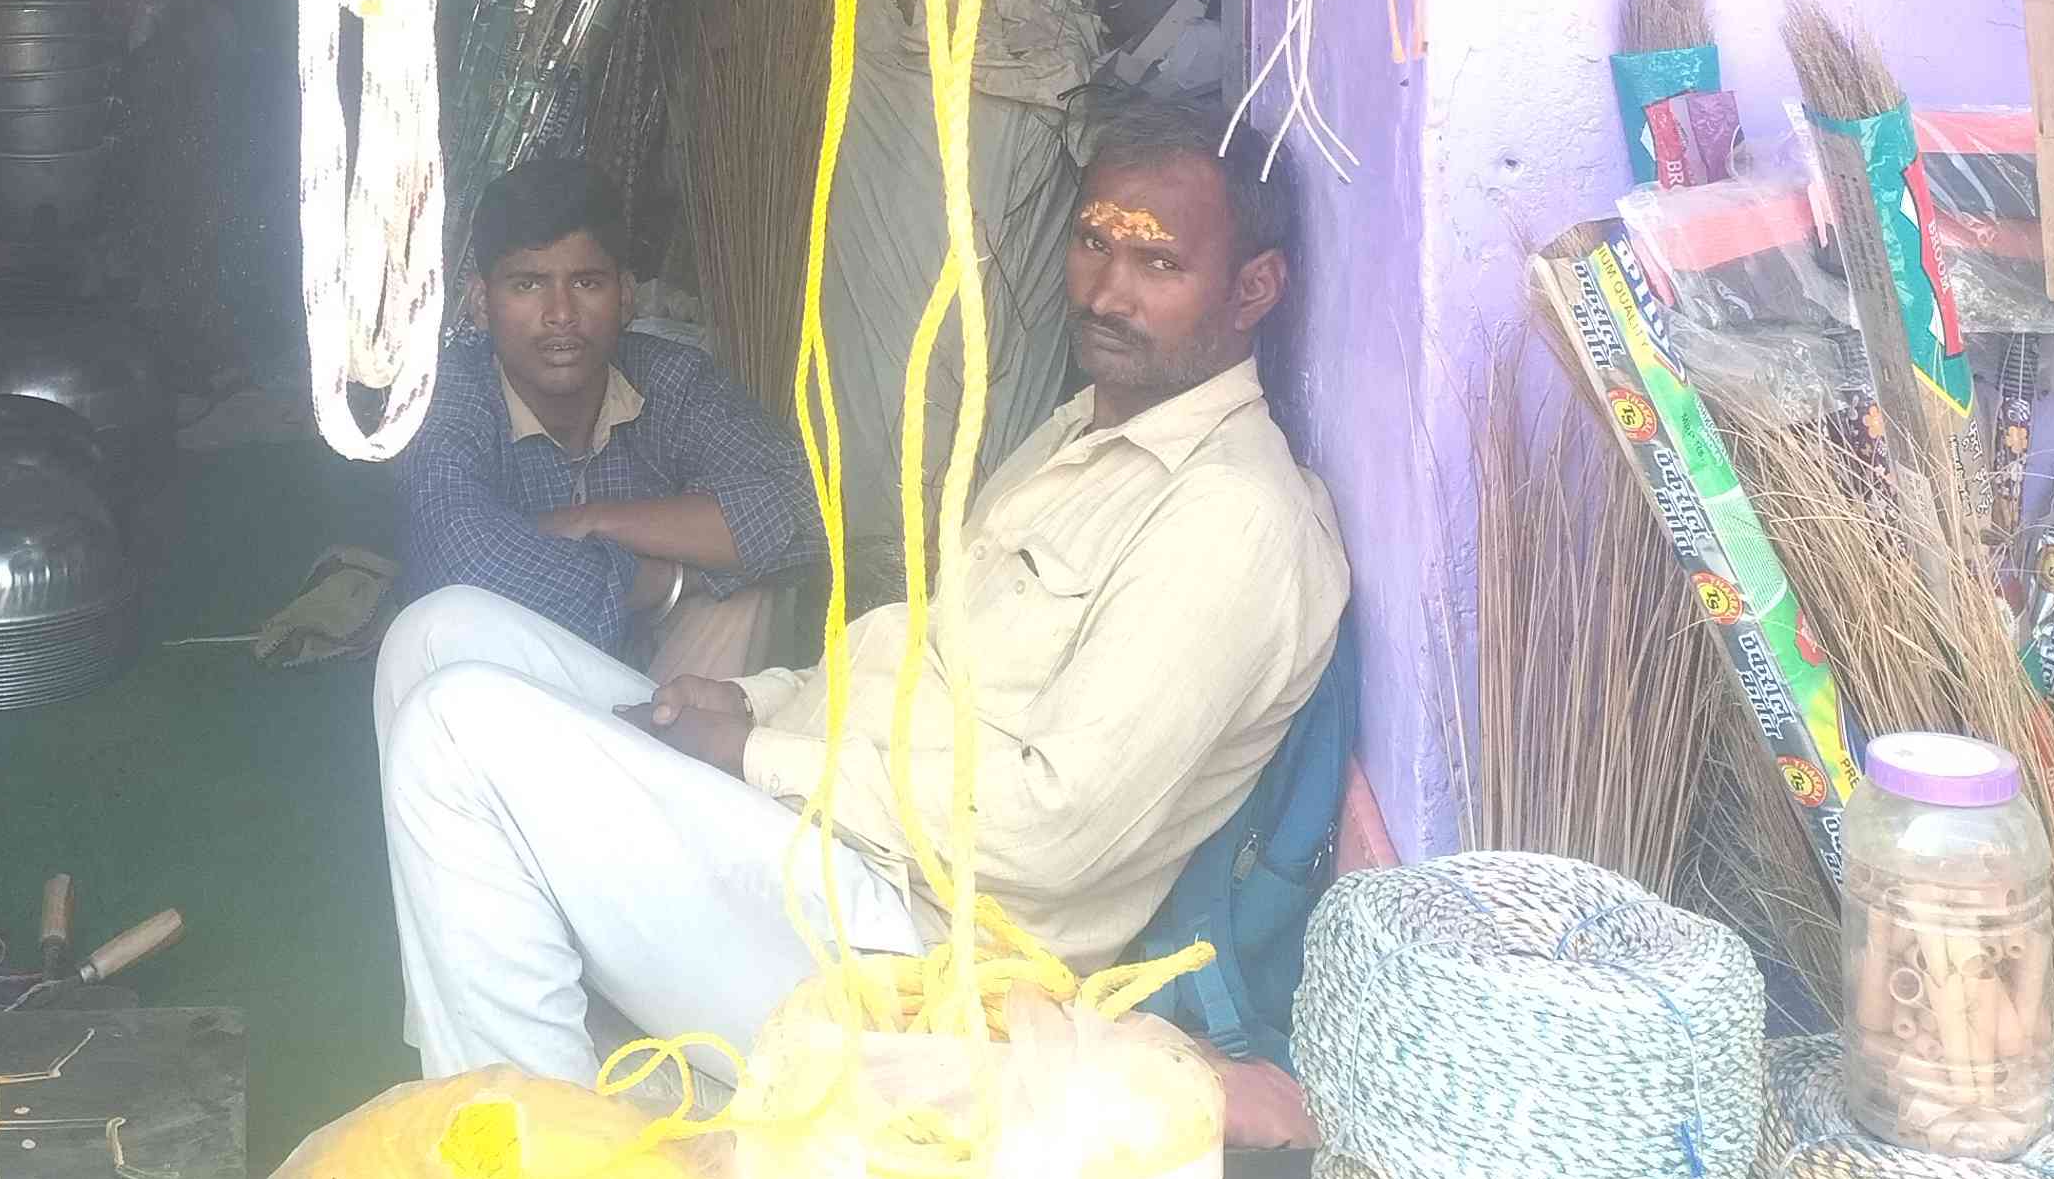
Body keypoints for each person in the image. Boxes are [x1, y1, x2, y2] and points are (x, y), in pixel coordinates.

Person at [376, 93, 1349, 1120]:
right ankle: (494, 1061)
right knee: (434, 635)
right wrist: (758, 698)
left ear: (1252, 287)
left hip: (915, 955)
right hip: (831, 834)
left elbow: (1055, 827)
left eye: (1157, 262)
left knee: (454, 730)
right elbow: (918, 658)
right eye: (1092, 243)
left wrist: (755, 754)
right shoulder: (1084, 431)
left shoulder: (1229, 517)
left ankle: (537, 1151)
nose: (1107, 292)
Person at [397, 154, 817, 674]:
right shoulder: (448, 396)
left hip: (664, 688)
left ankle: (666, 732)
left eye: (587, 283)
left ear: (626, 298)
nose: (561, 314)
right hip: (514, 689)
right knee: (445, 621)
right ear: (481, 304)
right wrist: (664, 580)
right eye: (527, 284)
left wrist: (591, 519)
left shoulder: (671, 380)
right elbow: (464, 563)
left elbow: (809, 507)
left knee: (746, 599)